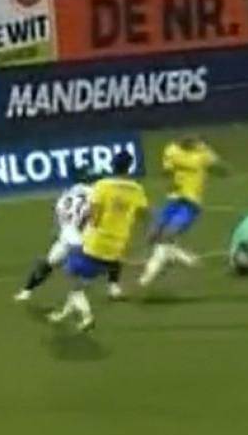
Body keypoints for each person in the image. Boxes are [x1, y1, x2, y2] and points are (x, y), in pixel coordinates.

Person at [49, 153, 147, 331]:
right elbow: (142, 214)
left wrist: (83, 225)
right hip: (117, 246)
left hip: (95, 243)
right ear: (129, 168)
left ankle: (87, 317)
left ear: (112, 165)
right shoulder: (137, 189)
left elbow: (93, 216)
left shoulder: (102, 185)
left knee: (71, 276)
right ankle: (64, 312)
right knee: (82, 281)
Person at [15, 168, 124, 302]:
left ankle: (26, 291)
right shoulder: (93, 192)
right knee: (110, 253)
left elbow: (59, 216)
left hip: (66, 233)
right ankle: (112, 286)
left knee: (49, 262)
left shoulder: (65, 194)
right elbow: (96, 212)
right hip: (81, 234)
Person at [138, 135, 228, 287]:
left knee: (168, 235)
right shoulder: (171, 150)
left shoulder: (203, 152)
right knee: (152, 235)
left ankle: (147, 277)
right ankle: (175, 255)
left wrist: (219, 167)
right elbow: (166, 170)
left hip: (191, 202)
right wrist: (169, 178)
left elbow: (221, 168)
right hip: (173, 198)